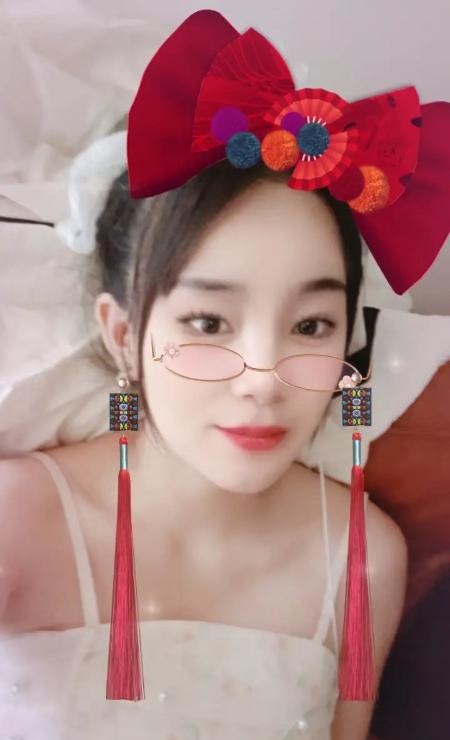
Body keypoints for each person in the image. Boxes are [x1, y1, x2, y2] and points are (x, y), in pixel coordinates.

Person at [2, 6, 449, 739]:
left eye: (311, 325)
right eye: (209, 323)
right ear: (123, 334)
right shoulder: (15, 518)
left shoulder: (361, 560)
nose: (264, 380)